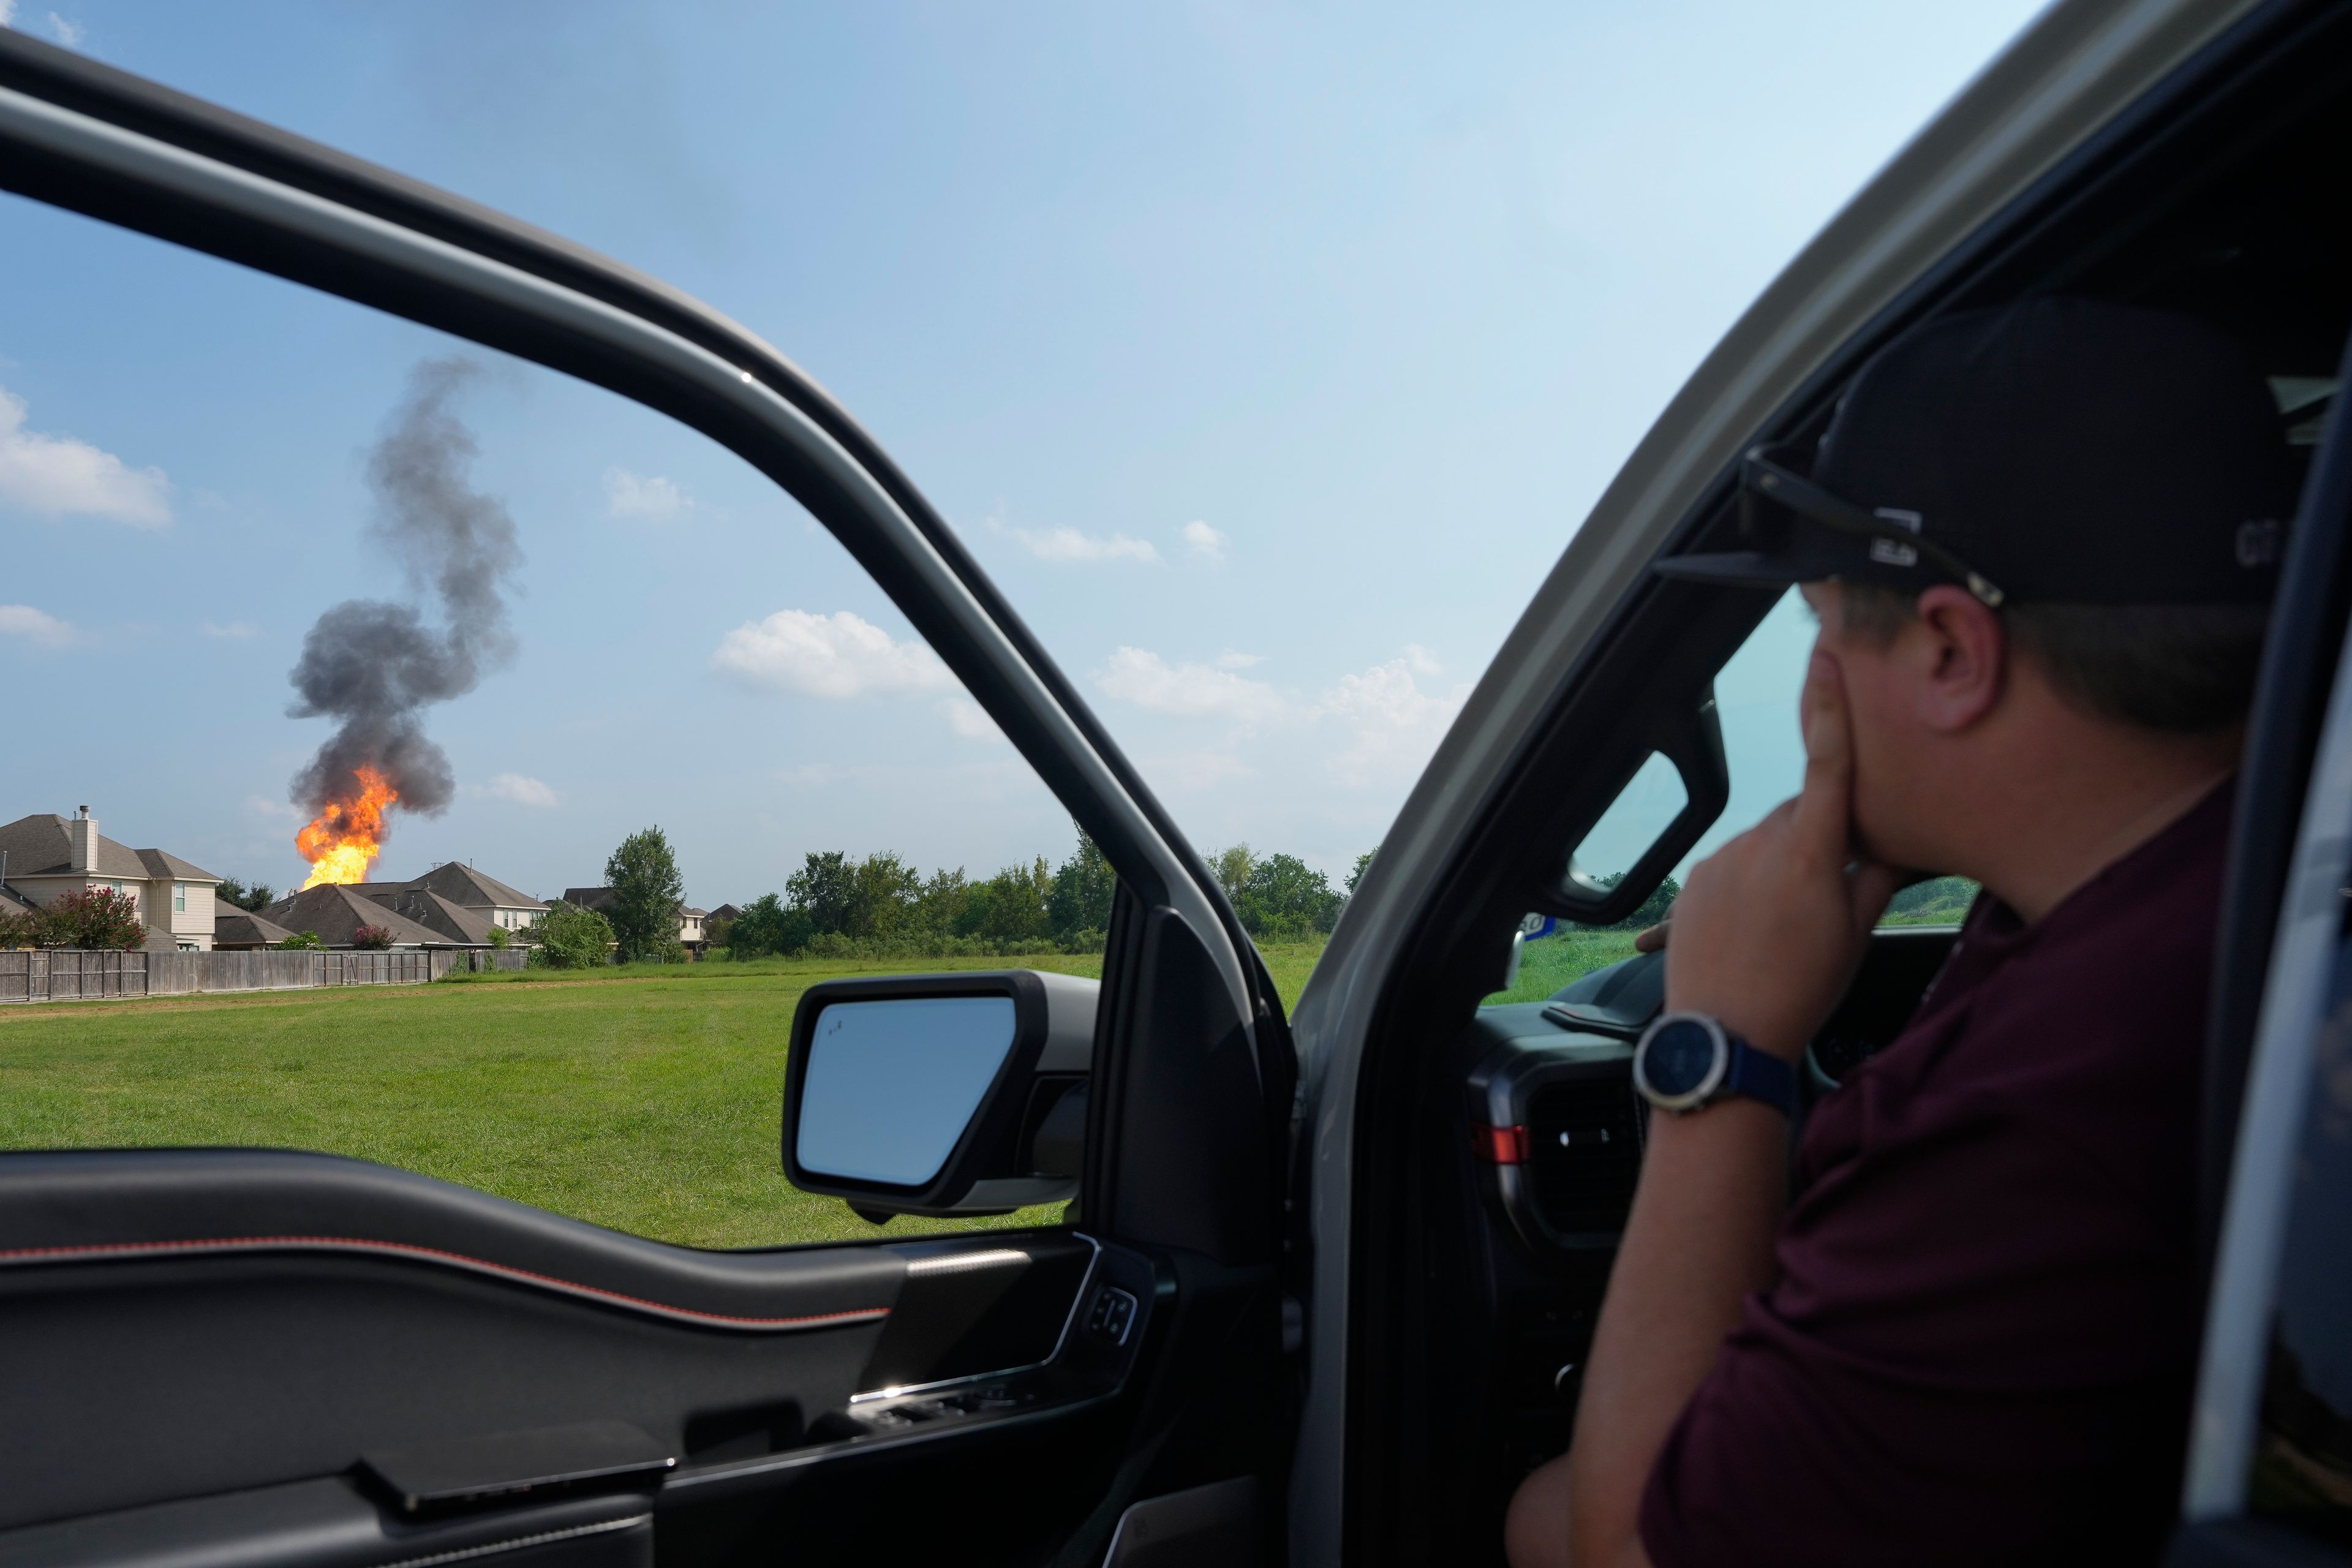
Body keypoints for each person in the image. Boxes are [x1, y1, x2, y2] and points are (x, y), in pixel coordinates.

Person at [1504, 296, 2296, 1567]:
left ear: (1948, 650)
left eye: (1822, 628)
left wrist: (1719, 1048)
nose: (1817, 681)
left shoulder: (2051, 1105)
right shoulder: (2221, 893)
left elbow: (1630, 1551)